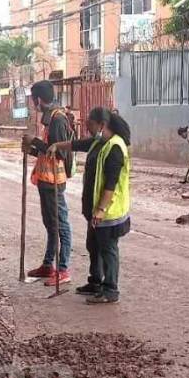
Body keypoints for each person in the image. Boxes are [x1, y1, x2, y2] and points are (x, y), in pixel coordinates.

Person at [49, 108, 131, 304]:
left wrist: (101, 209)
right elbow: (77, 144)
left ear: (102, 125)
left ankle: (110, 289)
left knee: (108, 249)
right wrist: (56, 146)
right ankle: (95, 281)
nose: (89, 131)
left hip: (109, 211)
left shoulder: (115, 147)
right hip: (95, 209)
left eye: (91, 127)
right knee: (93, 246)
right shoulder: (98, 141)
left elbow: (110, 184)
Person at [21, 80, 75, 287]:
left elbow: (60, 151)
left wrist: (35, 141)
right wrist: (32, 149)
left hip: (54, 182)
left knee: (61, 225)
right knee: (50, 224)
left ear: (39, 100)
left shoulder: (58, 119)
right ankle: (48, 264)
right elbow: (47, 152)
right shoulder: (50, 119)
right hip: (45, 180)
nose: (33, 103)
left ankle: (63, 269)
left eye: (33, 100)